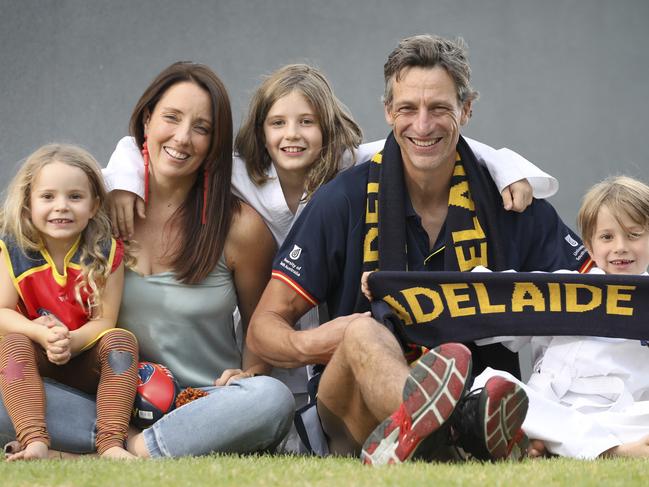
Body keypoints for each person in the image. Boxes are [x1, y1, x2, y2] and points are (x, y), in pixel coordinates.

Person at [103, 63, 556, 454]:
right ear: (259, 131)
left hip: (277, 385)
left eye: (307, 122)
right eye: (277, 123)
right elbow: (133, 154)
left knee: (274, 393)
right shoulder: (239, 175)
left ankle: (427, 433)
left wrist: (507, 166)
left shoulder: (350, 165)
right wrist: (125, 171)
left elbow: (433, 141)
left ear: (329, 129)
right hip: (272, 363)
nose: (292, 135)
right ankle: (458, 428)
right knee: (347, 340)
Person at [246, 34, 589, 464]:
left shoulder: (510, 203)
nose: (422, 125)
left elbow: (592, 301)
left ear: (466, 110)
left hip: (482, 394)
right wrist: (322, 341)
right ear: (389, 111)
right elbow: (264, 328)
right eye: (408, 108)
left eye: (440, 109)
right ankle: (464, 430)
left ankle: (436, 439)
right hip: (351, 416)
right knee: (361, 331)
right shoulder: (345, 199)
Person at [0, 62, 295, 458]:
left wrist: (251, 375)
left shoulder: (239, 227)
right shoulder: (92, 211)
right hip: (106, 403)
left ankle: (130, 449)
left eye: (201, 128)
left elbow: (264, 326)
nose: (182, 137)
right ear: (146, 120)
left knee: (270, 398)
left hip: (200, 404)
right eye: (171, 118)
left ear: (214, 142)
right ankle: (121, 443)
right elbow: (23, 236)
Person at [471, 176, 649, 459]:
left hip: (618, 416)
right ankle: (609, 449)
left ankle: (548, 443)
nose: (620, 247)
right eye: (607, 237)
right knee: (486, 384)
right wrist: (391, 287)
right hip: (548, 409)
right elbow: (483, 294)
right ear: (589, 247)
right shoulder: (559, 287)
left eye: (634, 235)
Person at [0, 144, 138, 460]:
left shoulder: (106, 251)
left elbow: (105, 320)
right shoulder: (12, 248)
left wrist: (71, 341)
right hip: (32, 360)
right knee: (13, 342)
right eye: (48, 197)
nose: (61, 206)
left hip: (82, 357)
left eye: (74, 197)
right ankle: (34, 440)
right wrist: (39, 333)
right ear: (27, 206)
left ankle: (111, 444)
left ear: (94, 206)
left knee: (121, 340)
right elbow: (2, 311)